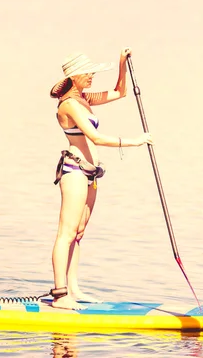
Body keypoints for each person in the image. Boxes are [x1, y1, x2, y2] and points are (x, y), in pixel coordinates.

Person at [49, 48, 153, 310]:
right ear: (75, 77)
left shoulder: (84, 99)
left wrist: (122, 64)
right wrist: (135, 142)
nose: (93, 76)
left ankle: (73, 288)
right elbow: (95, 139)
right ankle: (60, 295)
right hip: (73, 171)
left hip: (90, 173)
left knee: (79, 232)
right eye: (89, 73)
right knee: (66, 233)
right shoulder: (69, 104)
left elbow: (120, 92)